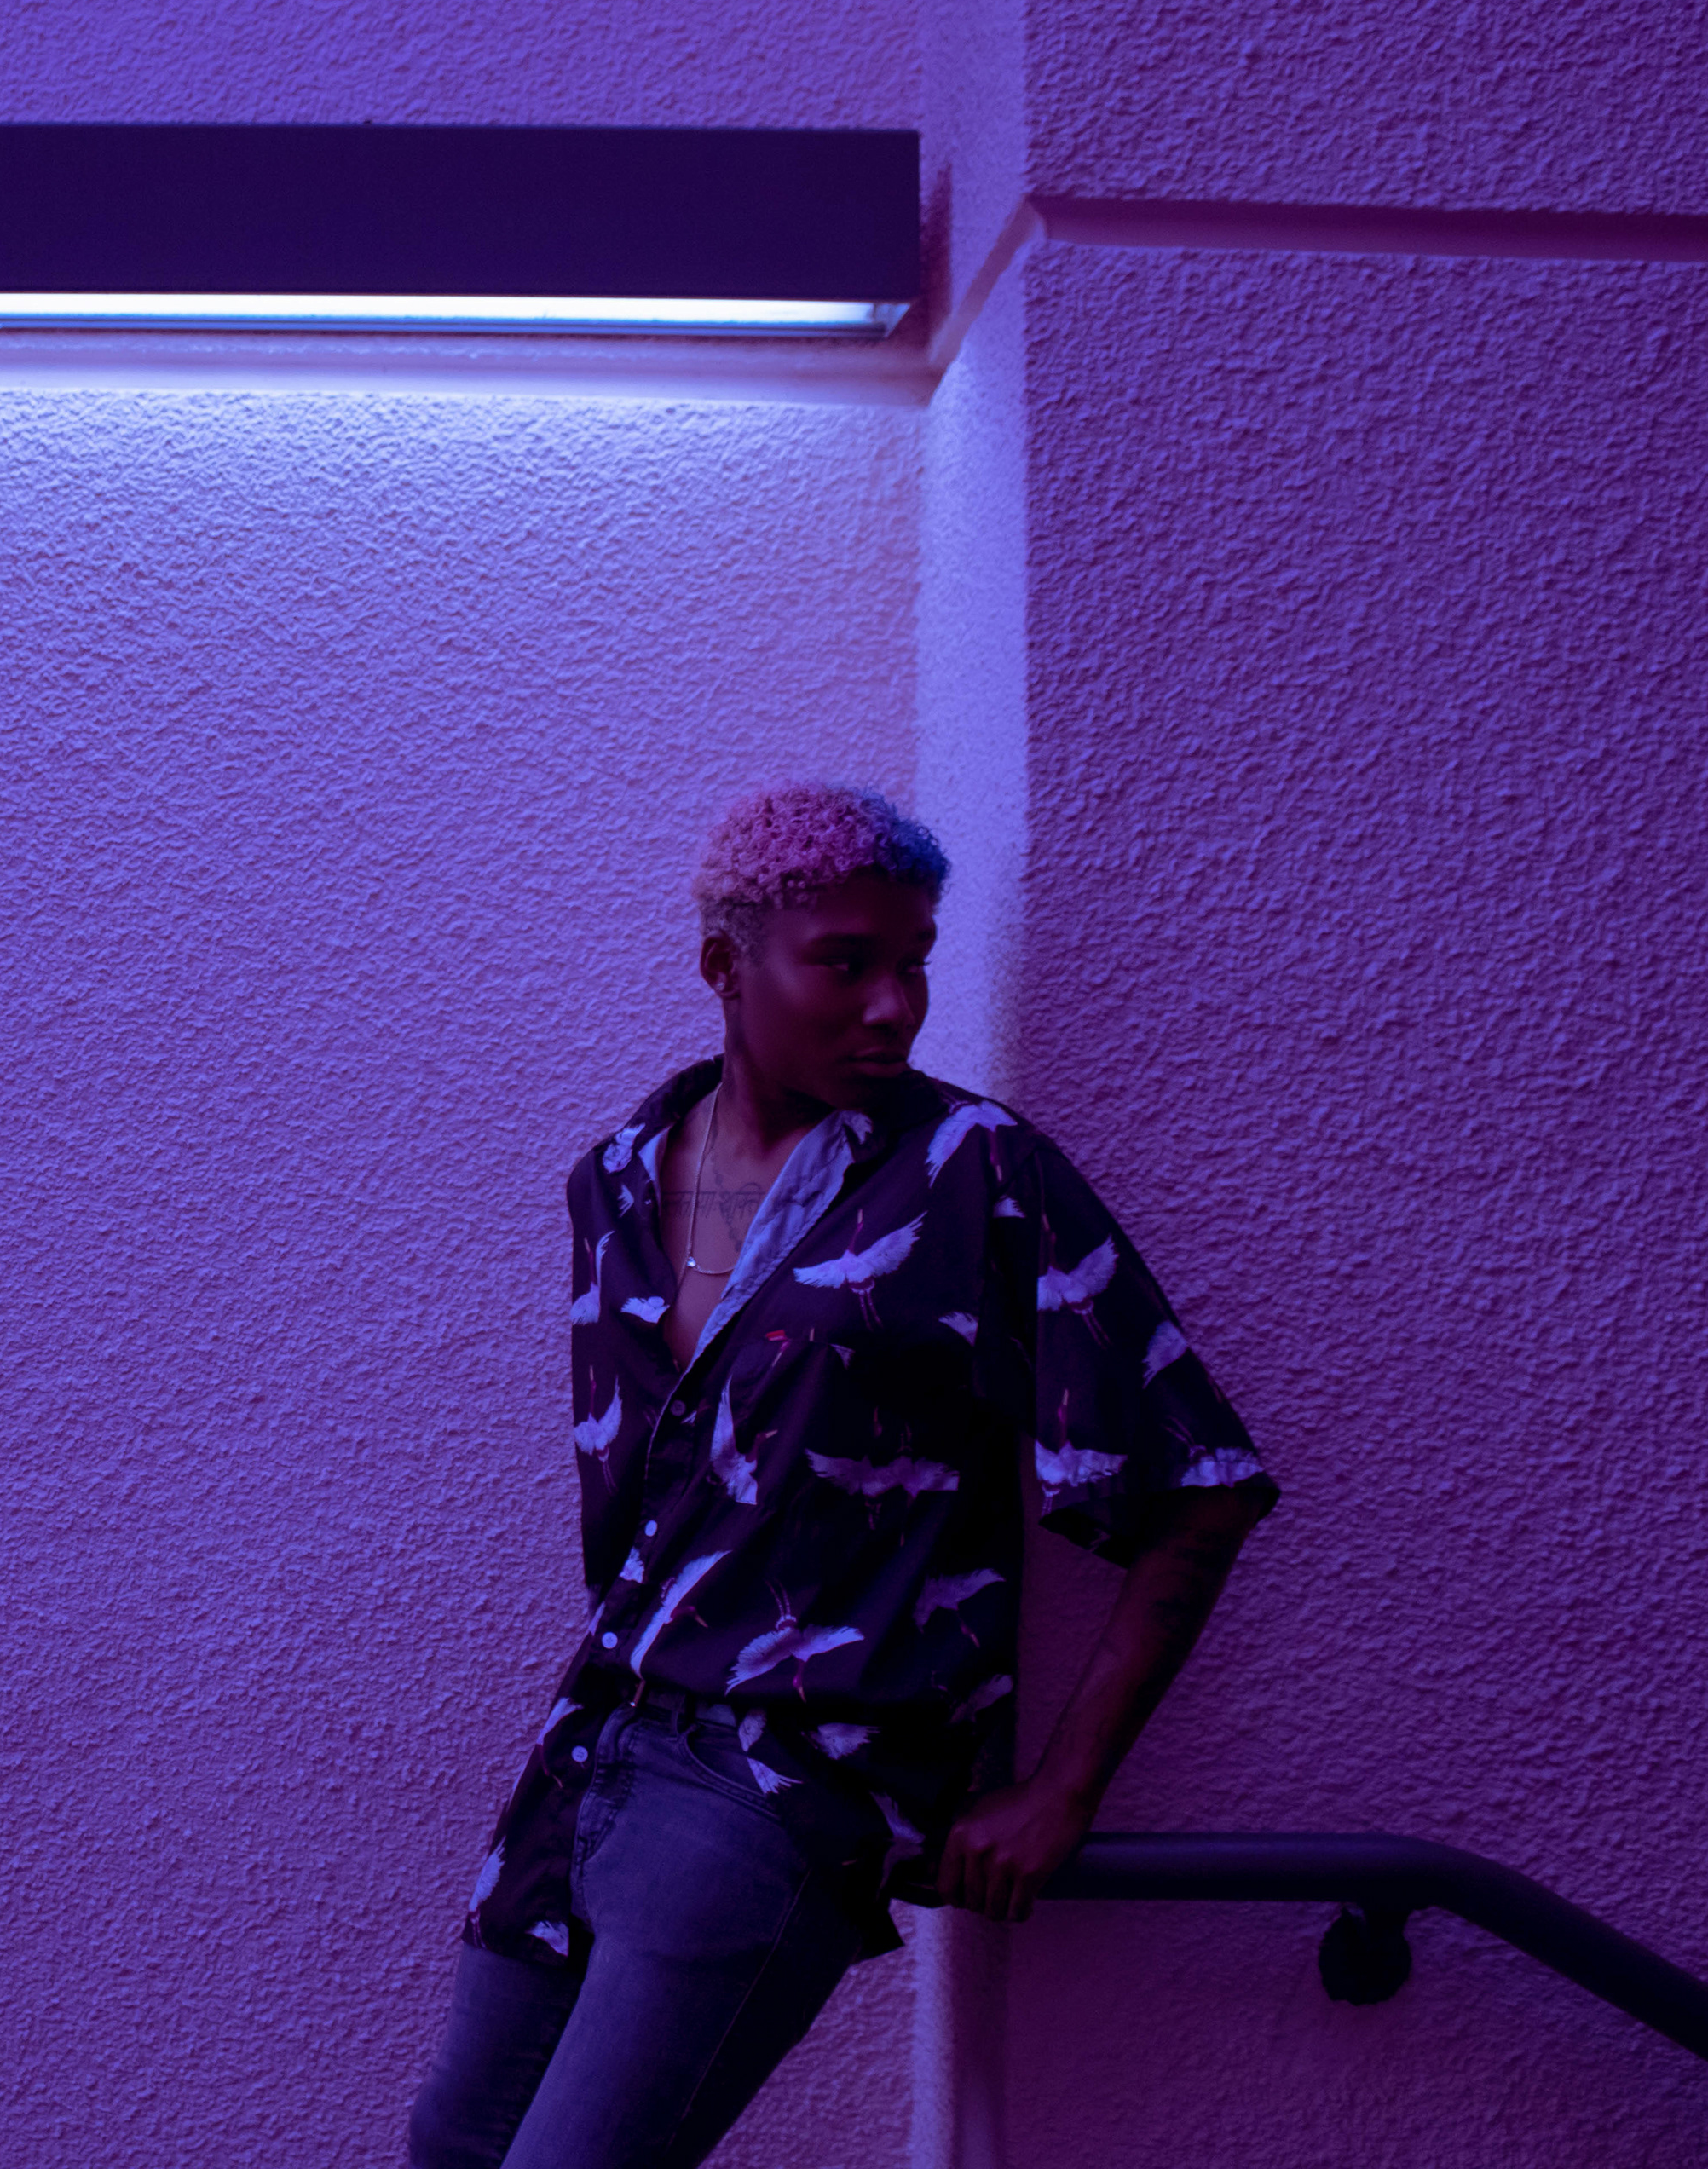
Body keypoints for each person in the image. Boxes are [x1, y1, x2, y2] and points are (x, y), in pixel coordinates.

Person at [406, 782, 1278, 2169]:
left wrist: (1061, 1791)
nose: (893, 1007)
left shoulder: (973, 1174)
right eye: (847, 963)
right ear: (725, 966)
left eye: (913, 964)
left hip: (782, 1780)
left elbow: (1200, 1484)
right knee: (454, 2146)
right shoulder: (615, 1180)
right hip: (595, 1743)